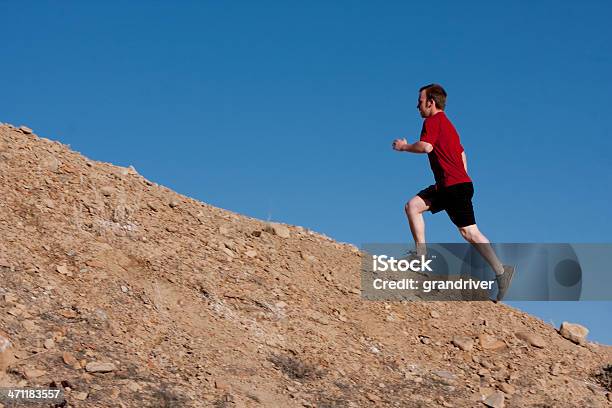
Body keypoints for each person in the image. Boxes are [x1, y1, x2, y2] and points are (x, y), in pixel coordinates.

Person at [392, 83, 514, 301]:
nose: (417, 106)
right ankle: (421, 260)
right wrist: (460, 177)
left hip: (454, 186)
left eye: (420, 101)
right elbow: (462, 153)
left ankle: (502, 272)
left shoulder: (433, 120)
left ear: (431, 102)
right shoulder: (448, 125)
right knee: (413, 206)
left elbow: (426, 147)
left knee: (469, 232)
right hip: (449, 185)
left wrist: (404, 147)